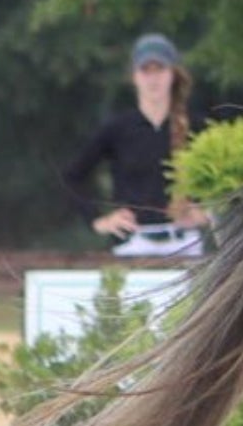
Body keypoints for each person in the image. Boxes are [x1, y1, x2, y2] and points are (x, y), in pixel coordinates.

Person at [62, 32, 207, 258]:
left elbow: (229, 181)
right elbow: (72, 177)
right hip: (133, 245)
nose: (153, 78)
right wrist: (98, 220)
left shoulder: (197, 127)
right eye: (145, 70)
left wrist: (208, 213)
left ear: (173, 74)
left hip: (185, 244)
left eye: (160, 69)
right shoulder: (117, 129)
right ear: (134, 76)